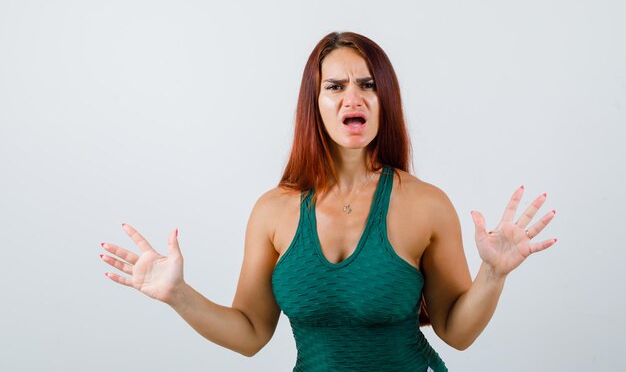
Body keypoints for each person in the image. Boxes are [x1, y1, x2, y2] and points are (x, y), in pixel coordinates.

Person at [100, 31, 557, 372]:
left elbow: (456, 333)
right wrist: (178, 295)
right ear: (314, 103)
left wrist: (493, 273)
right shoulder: (272, 212)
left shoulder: (426, 205)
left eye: (367, 84)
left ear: (385, 99)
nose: (352, 97)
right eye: (335, 86)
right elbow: (251, 334)